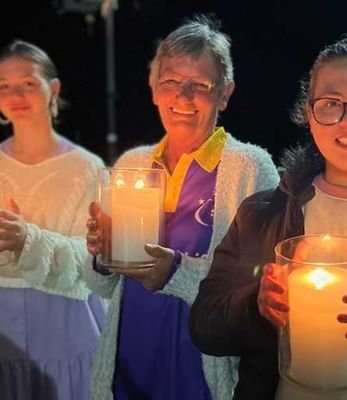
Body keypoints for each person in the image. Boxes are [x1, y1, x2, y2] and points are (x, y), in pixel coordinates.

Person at [189, 33, 347, 400]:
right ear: (309, 113)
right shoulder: (262, 214)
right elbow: (205, 326)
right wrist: (257, 306)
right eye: (331, 103)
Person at [85, 14, 279, 400]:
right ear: (154, 88)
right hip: (131, 360)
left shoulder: (248, 168)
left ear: (225, 93)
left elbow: (258, 287)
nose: (183, 97)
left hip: (199, 365)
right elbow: (101, 286)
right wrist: (101, 256)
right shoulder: (132, 165)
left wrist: (174, 272)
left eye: (199, 85)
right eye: (171, 81)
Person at [0, 40, 105, 400]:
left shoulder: (86, 169)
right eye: (4, 85)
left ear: (53, 89)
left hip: (67, 327)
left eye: (28, 82)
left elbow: (94, 259)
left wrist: (27, 240)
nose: (16, 94)